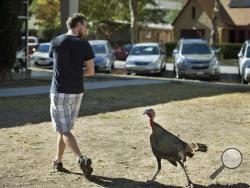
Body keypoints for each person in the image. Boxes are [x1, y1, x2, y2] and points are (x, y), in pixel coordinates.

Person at [49, 13, 95, 178]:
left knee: (64, 129)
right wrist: (76, 72)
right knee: (64, 129)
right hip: (77, 93)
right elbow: (90, 72)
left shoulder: (55, 42)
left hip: (59, 92)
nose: (86, 29)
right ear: (79, 24)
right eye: (86, 25)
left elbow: (54, 64)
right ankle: (57, 161)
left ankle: (80, 158)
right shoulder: (84, 44)